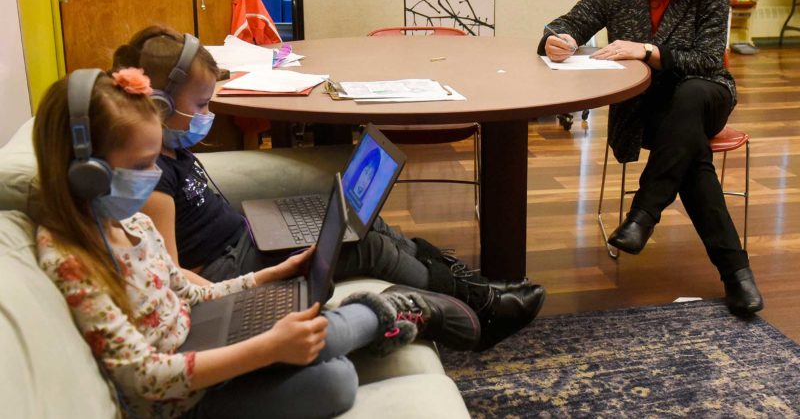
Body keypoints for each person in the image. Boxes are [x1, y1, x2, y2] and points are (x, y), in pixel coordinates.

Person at [34, 67, 486, 418]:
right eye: (141, 164)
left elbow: (191, 294)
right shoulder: (71, 259)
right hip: (184, 401)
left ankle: (386, 310)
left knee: (308, 326)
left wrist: (263, 278)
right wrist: (266, 349)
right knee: (337, 382)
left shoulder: (132, 225)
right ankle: (381, 313)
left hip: (205, 339)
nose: (154, 176)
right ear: (84, 172)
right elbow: (142, 377)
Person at [111, 25, 546, 349]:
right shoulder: (153, 178)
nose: (208, 115)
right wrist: (251, 278)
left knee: (362, 220)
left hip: (241, 240)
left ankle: (467, 284)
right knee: (362, 245)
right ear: (161, 105)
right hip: (226, 267)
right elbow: (170, 275)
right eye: (202, 105)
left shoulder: (172, 149)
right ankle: (482, 310)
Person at [538, 0, 762, 317]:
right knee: (691, 157)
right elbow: (570, 22)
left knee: (692, 94)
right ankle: (735, 273)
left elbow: (707, 59)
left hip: (707, 93)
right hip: (652, 110)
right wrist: (559, 39)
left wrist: (647, 50)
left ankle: (644, 212)